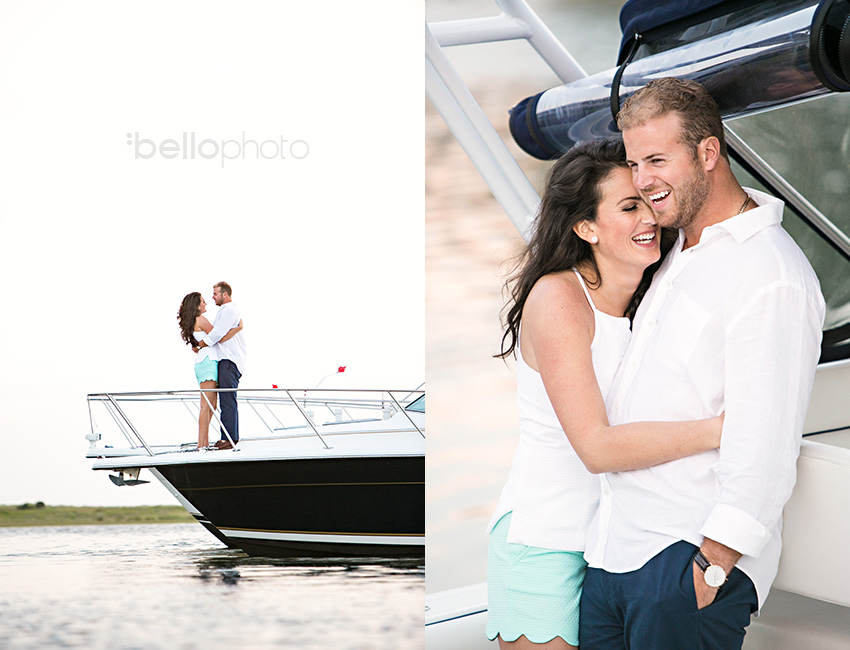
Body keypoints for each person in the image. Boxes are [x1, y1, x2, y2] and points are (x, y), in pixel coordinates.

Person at [579, 78, 826, 650]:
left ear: (708, 153)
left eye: (658, 159)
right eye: (636, 163)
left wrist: (710, 569)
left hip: (683, 564)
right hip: (612, 554)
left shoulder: (770, 275)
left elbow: (766, 440)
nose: (642, 181)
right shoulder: (676, 252)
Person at [486, 140, 724, 650]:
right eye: (628, 206)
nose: (650, 218)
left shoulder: (651, 301)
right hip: (544, 542)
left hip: (613, 547)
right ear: (586, 228)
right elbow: (595, 448)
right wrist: (723, 429)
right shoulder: (559, 297)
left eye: (648, 201)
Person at [177, 292, 243, 449]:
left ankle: (203, 442)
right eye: (203, 302)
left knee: (211, 405)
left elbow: (203, 342)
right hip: (207, 363)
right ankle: (202, 443)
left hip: (205, 362)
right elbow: (218, 336)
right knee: (207, 405)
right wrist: (238, 328)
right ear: (197, 305)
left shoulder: (195, 321)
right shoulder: (200, 319)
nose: (206, 304)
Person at [194, 281, 247, 449]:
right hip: (224, 360)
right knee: (223, 400)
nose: (212, 296)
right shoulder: (224, 312)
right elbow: (218, 335)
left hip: (229, 360)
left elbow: (217, 334)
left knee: (227, 400)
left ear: (225, 294)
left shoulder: (230, 310)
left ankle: (229, 439)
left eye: (215, 293)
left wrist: (203, 344)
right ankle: (226, 437)